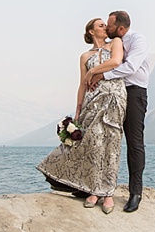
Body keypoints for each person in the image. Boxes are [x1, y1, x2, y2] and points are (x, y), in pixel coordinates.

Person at [36, 17, 127, 214]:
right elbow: (82, 84)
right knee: (92, 144)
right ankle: (93, 190)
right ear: (92, 31)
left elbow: (115, 62)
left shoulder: (116, 43)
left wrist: (92, 71)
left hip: (113, 97)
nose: (106, 27)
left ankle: (108, 193)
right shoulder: (85, 56)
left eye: (106, 25)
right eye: (101, 25)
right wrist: (77, 109)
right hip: (92, 102)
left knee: (111, 145)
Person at [88, 10, 150, 212]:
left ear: (121, 28)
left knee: (134, 142)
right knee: (103, 139)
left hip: (133, 93)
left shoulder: (137, 40)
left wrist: (102, 75)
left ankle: (135, 193)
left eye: (110, 25)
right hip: (113, 93)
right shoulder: (111, 44)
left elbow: (131, 67)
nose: (107, 27)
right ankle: (95, 187)